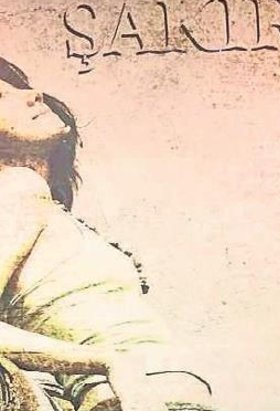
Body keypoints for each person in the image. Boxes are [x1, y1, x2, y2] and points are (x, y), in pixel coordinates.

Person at [0, 57, 215, 411]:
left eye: (20, 88)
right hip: (132, 396)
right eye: (0, 96)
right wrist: (107, 361)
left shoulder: (44, 206)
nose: (33, 94)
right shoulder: (16, 188)